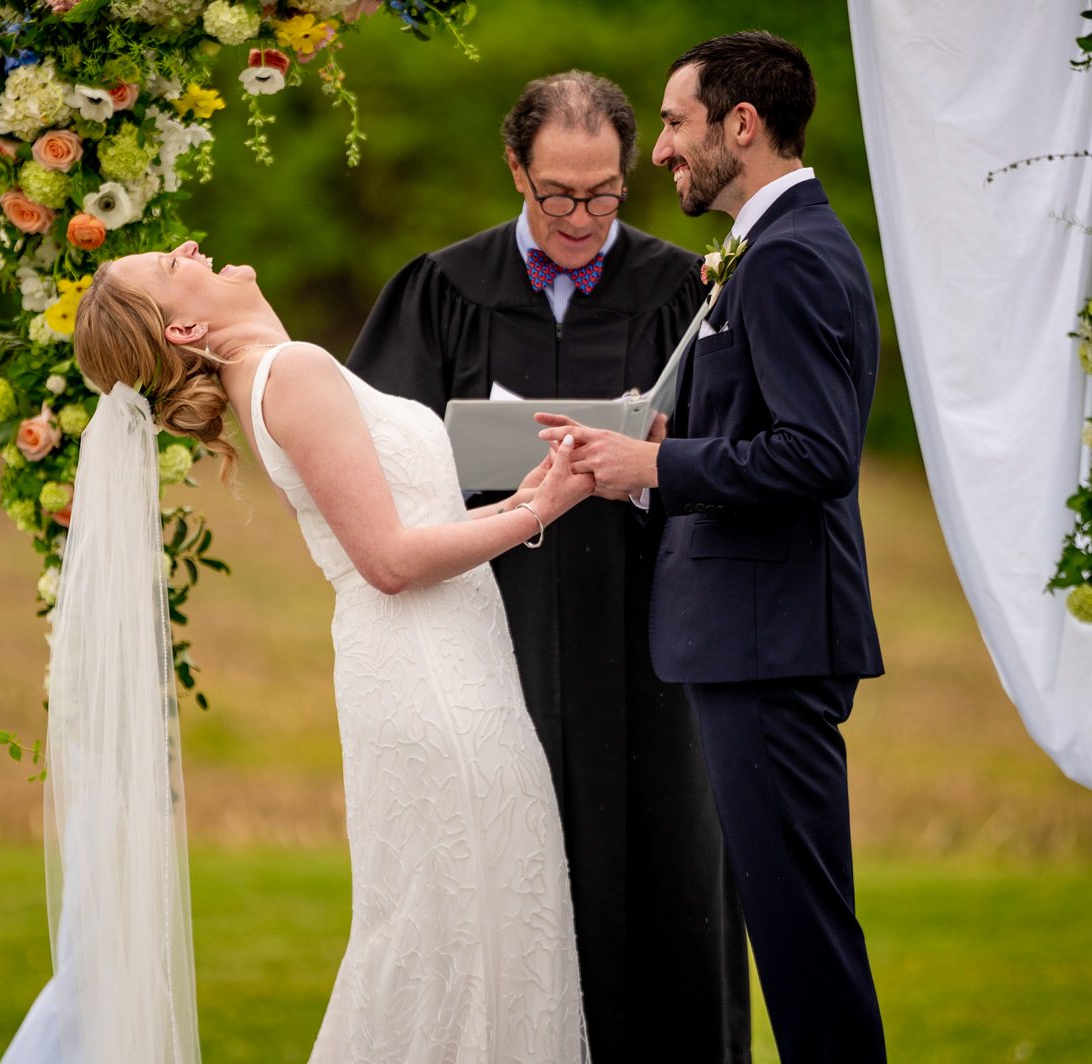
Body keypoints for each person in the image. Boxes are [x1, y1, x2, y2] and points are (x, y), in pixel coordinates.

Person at [6, 239, 595, 1064]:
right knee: (458, 943)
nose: (190, 247)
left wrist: (535, 489)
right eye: (174, 268)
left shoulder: (266, 380)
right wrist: (543, 513)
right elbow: (388, 561)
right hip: (432, 680)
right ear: (183, 332)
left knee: (471, 934)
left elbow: (403, 531)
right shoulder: (295, 370)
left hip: (443, 667)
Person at [349, 71, 750, 1063]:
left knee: (669, 880)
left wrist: (654, 460)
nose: (581, 216)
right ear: (514, 167)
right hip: (495, 633)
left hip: (651, 644)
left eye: (605, 192)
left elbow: (748, 462)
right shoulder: (441, 291)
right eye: (557, 193)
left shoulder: (687, 296)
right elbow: (375, 469)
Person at [537, 31, 887, 1063]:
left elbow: (815, 453)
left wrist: (660, 470)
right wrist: (655, 448)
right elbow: (761, 438)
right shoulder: (771, 248)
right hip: (751, 638)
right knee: (791, 927)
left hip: (770, 642)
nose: (658, 154)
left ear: (743, 124)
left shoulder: (788, 258)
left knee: (801, 934)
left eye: (677, 124)